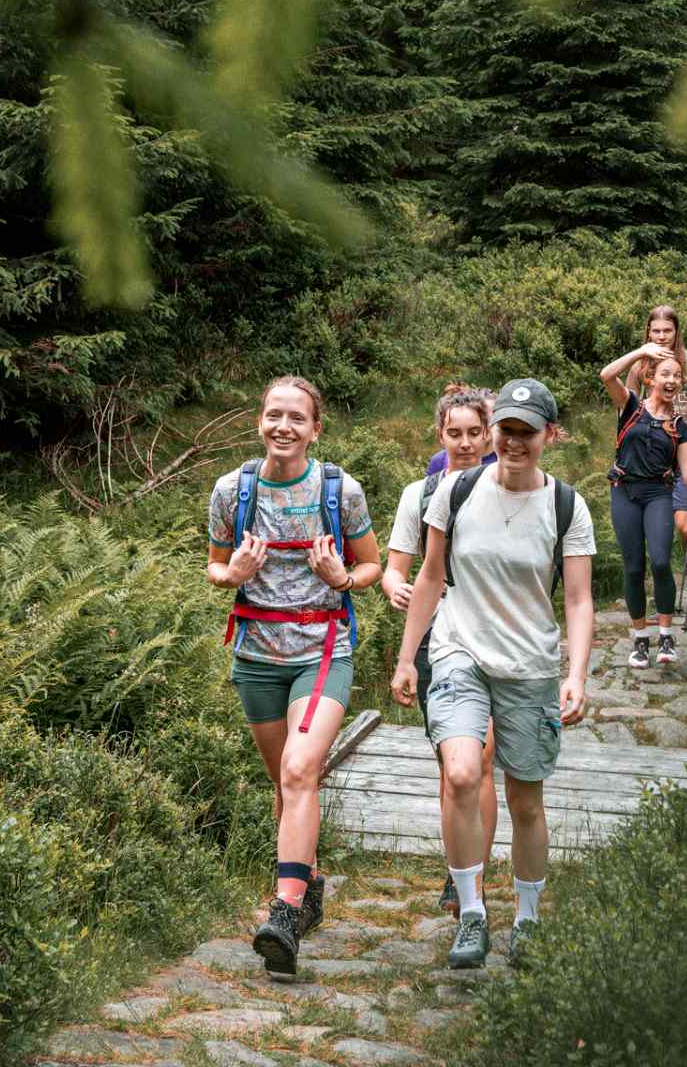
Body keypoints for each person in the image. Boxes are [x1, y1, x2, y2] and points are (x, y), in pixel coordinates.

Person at [391, 377, 594, 969]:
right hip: (459, 651)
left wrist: (575, 673)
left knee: (526, 800)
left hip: (529, 665)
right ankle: (473, 911)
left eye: (526, 432)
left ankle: (527, 919)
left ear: (548, 436)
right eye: (505, 429)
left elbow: (579, 600)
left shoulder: (566, 506)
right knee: (459, 773)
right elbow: (430, 578)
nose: (512, 442)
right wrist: (409, 658)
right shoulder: (454, 491)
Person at [206, 376, 382, 977]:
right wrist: (233, 574)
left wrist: (340, 577)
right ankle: (308, 889)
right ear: (260, 421)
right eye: (273, 415)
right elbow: (213, 565)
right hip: (256, 655)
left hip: (322, 649)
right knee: (285, 786)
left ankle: (282, 913)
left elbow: (372, 567)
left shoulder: (341, 490)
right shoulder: (233, 490)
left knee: (300, 770)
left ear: (315, 429)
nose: (284, 426)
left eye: (296, 418)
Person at [382, 384, 499, 916]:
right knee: (453, 765)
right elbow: (397, 566)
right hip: (436, 637)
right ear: (440, 434)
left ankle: (474, 879)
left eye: (475, 432)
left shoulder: (511, 489)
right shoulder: (421, 494)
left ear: (489, 433)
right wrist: (392, 586)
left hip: (497, 636)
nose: (466, 442)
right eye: (455, 433)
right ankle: (459, 869)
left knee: (483, 759)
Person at [602, 342, 687, 668]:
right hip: (624, 492)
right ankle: (640, 639)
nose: (672, 380)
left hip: (659, 494)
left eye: (677, 375)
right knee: (633, 567)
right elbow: (606, 375)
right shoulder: (630, 405)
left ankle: (665, 634)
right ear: (650, 378)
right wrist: (641, 351)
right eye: (665, 373)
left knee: (660, 562)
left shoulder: (680, 427)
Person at [622, 306, 687, 602]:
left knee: (685, 525)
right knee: (653, 535)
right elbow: (626, 412)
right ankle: (661, 593)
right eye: (656, 331)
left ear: (677, 332)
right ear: (648, 332)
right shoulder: (639, 367)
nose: (661, 337)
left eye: (667, 331)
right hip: (651, 457)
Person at [425, 387, 498, 476]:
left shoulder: (503, 477)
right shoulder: (423, 487)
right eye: (454, 435)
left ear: (486, 432)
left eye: (474, 433)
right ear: (440, 435)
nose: (465, 444)